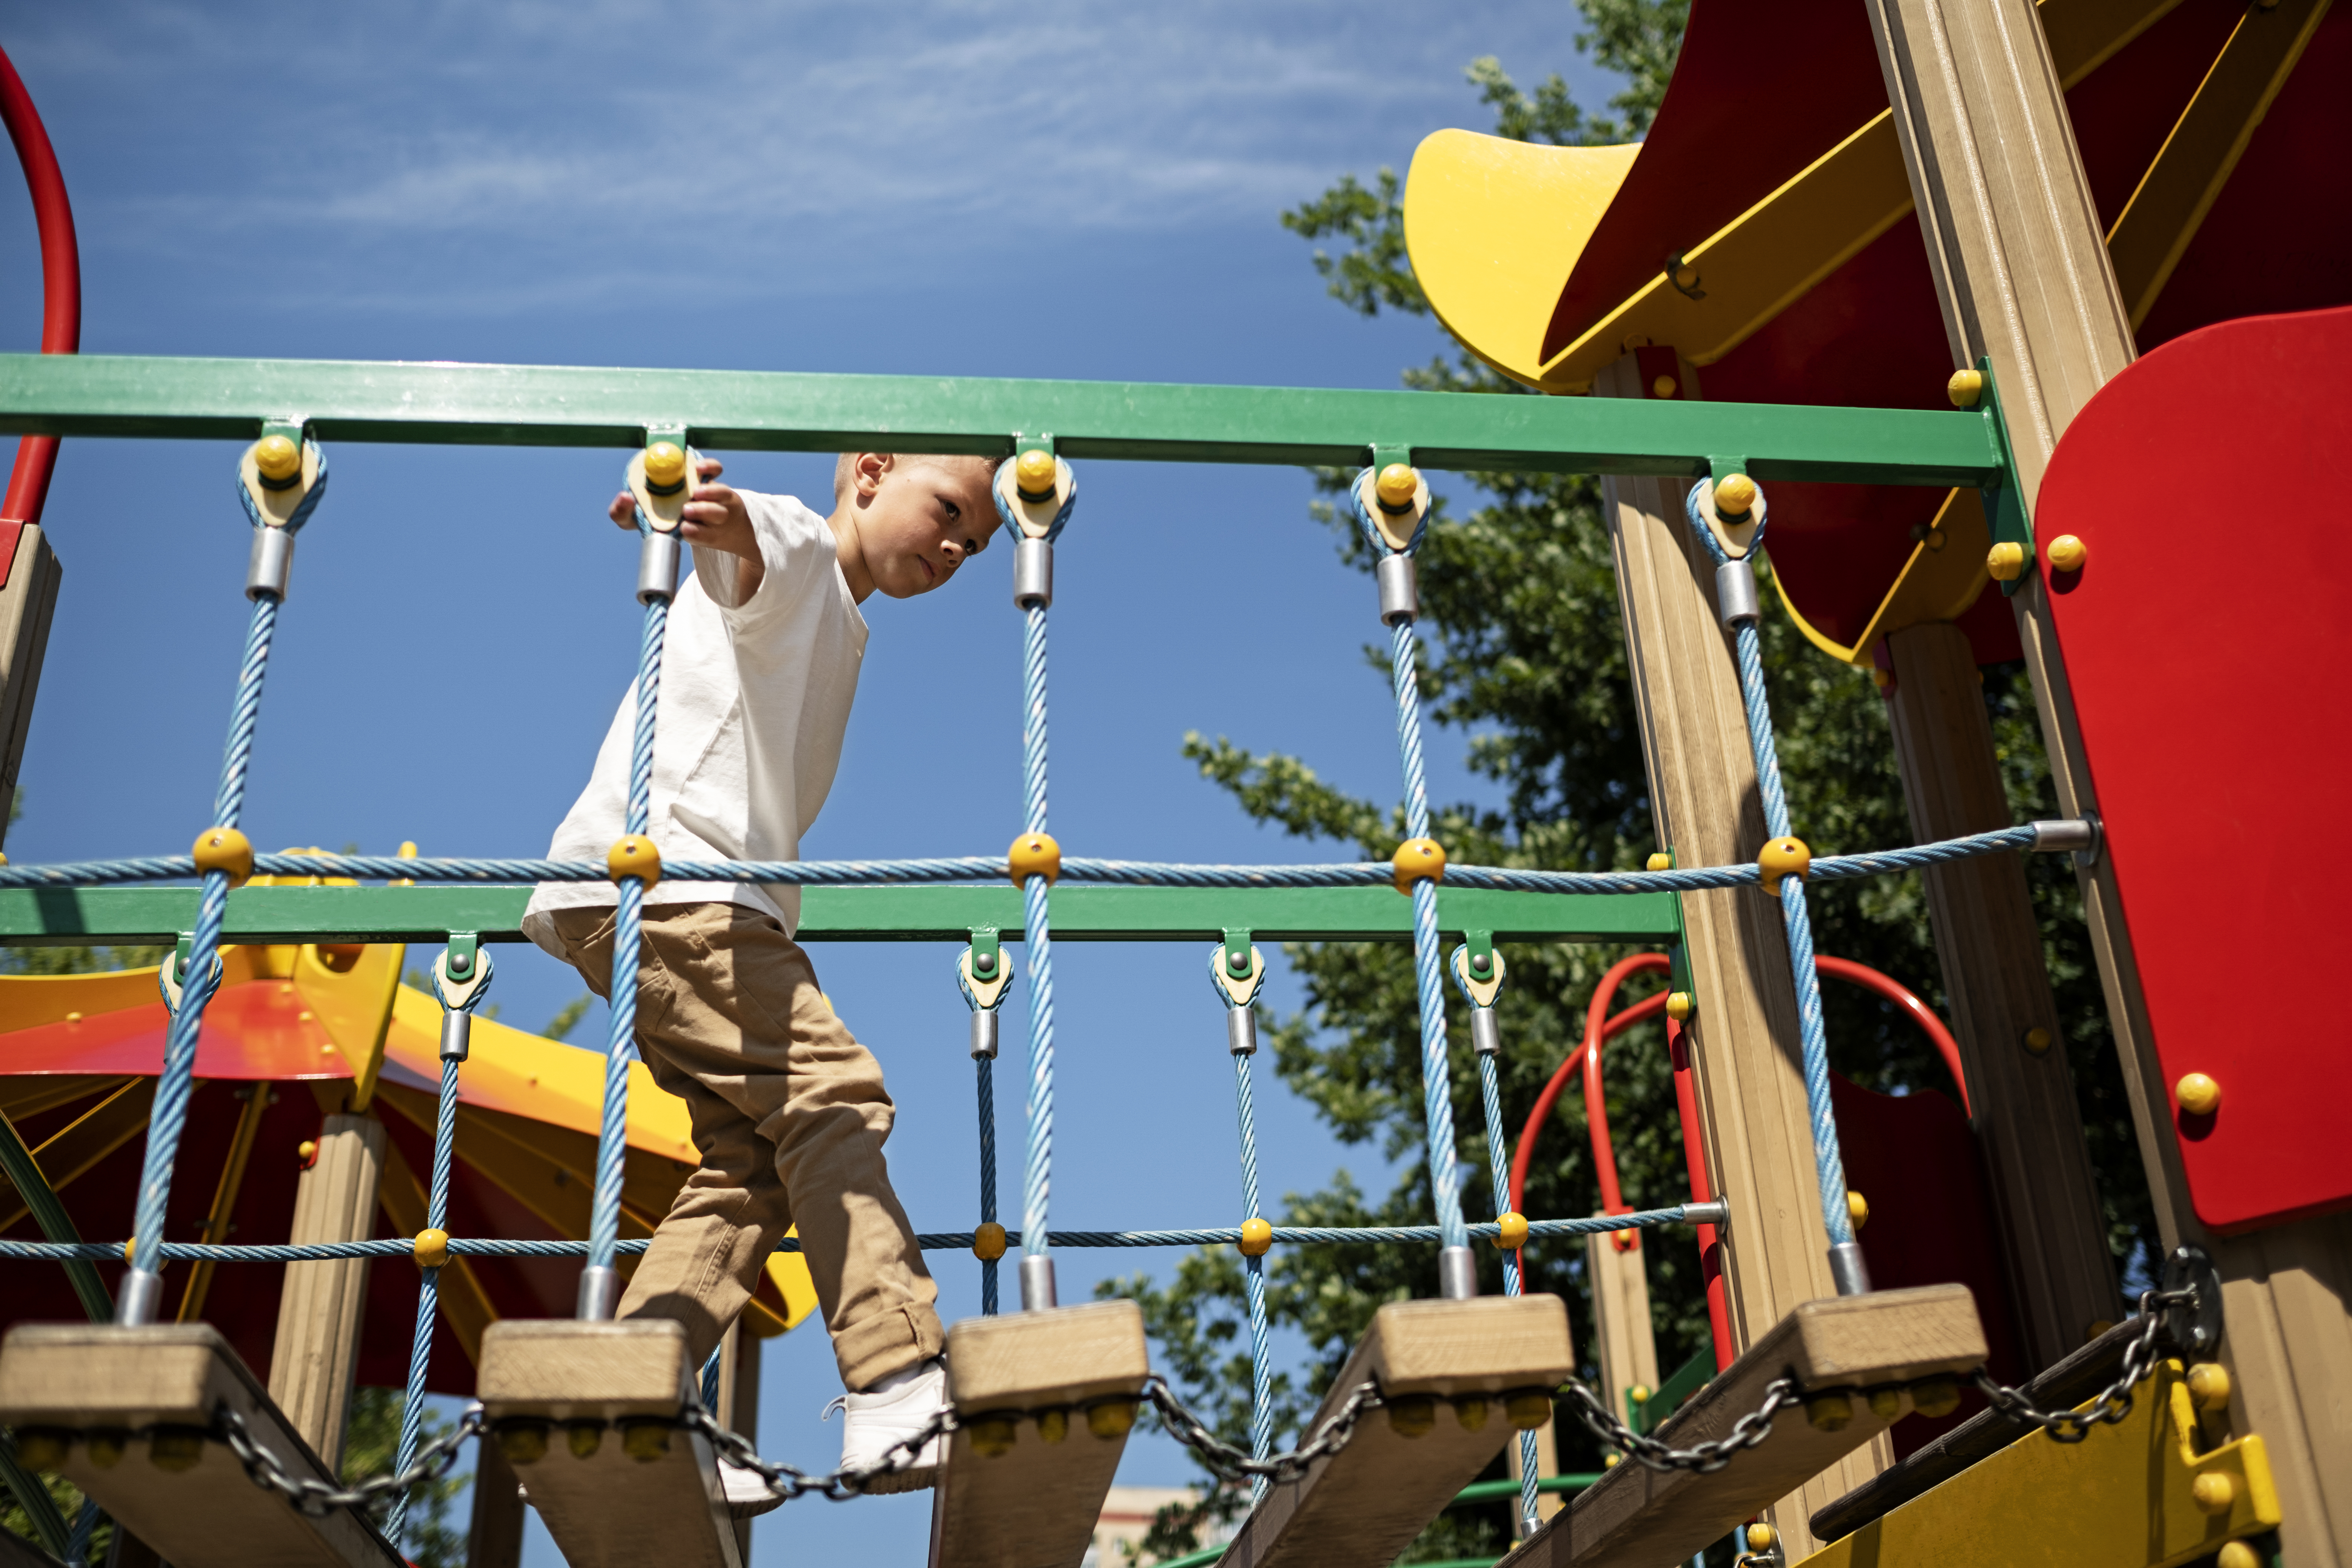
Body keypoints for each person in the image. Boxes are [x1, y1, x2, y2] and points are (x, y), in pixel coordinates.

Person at [522, 450, 1002, 1508]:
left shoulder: (841, 614)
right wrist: (698, 508)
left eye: (978, 544)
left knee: (751, 1166)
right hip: (680, 892)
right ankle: (895, 1373)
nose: (960, 547)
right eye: (952, 510)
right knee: (835, 1098)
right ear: (869, 474)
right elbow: (750, 540)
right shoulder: (800, 555)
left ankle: (632, 1403)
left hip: (662, 906)